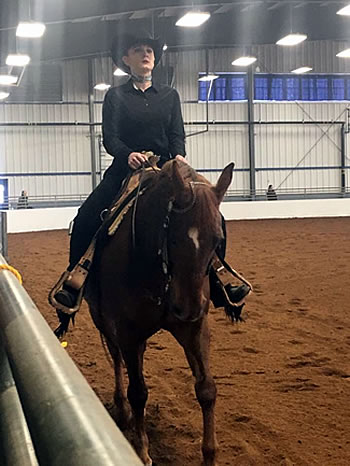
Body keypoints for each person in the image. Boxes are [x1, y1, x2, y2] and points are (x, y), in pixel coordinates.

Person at [52, 30, 250, 314]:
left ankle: (218, 279)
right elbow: (111, 137)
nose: (145, 54)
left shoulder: (170, 96)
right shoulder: (115, 96)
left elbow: (176, 134)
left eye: (149, 50)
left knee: (212, 215)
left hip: (167, 169)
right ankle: (75, 280)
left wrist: (178, 154)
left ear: (154, 60)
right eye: (138, 50)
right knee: (86, 217)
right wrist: (126, 154)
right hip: (126, 169)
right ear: (125, 59)